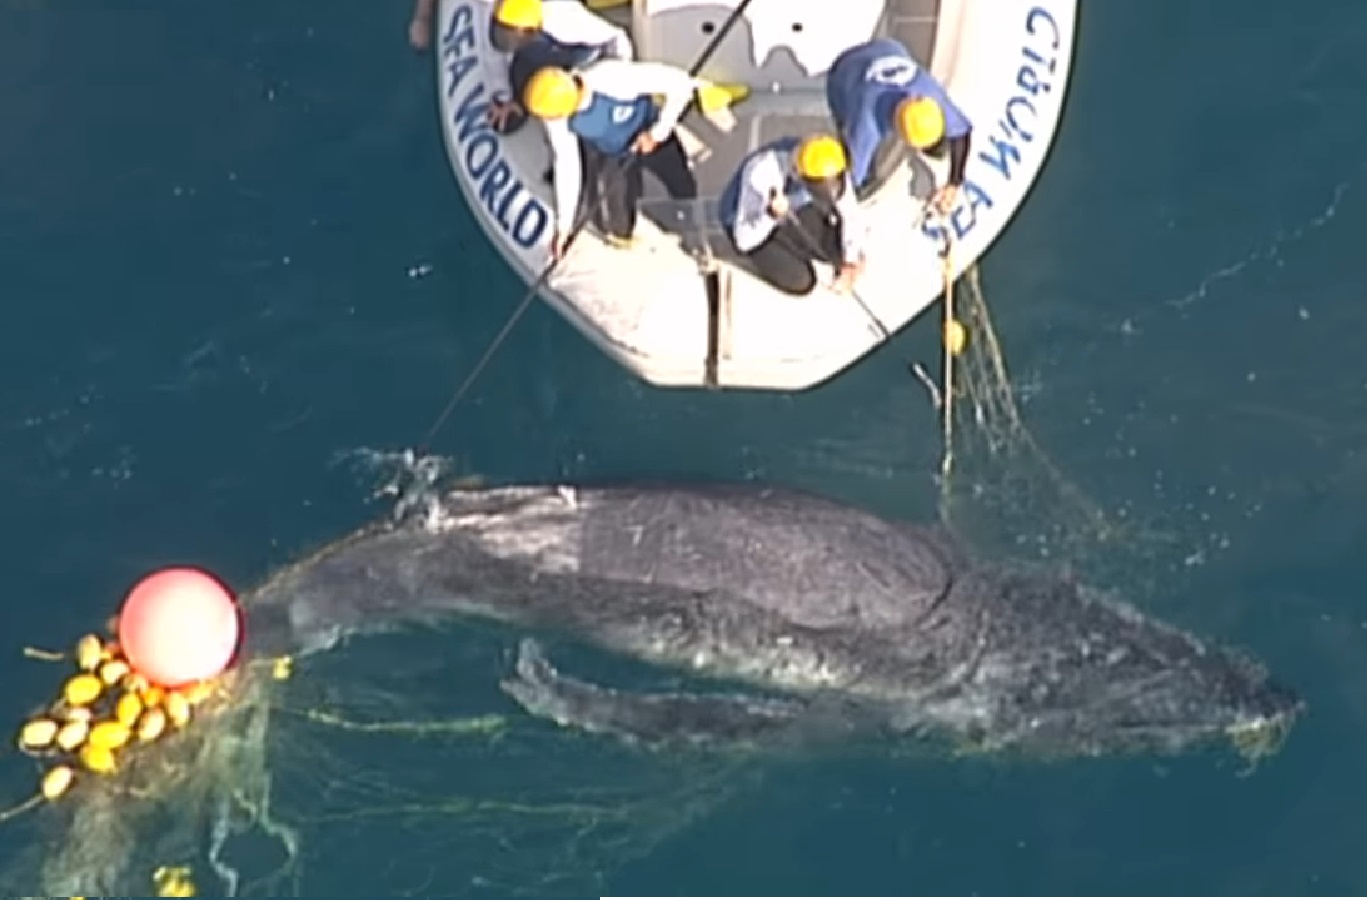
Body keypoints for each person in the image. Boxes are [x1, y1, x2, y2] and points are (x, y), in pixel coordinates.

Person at [522, 60, 700, 259]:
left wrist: (657, 133)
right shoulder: (555, 116)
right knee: (618, 226)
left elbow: (681, 83)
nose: (549, 122)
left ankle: (694, 230)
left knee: (683, 186)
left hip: (650, 133)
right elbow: (567, 163)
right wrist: (564, 227)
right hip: (615, 154)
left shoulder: (611, 78)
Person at [407, 0, 634, 137]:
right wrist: (504, 97)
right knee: (520, 75)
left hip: (579, 55)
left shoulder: (565, 18)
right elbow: (493, 52)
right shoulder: (498, 11)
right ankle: (520, 103)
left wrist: (617, 79)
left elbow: (614, 37)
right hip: (541, 47)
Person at [825, 38, 972, 213]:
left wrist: (954, 184)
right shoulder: (868, 124)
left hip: (886, 47)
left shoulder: (928, 91)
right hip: (843, 73)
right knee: (857, 165)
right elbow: (846, 184)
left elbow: (961, 133)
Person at [718, 134, 866, 297]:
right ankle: (777, 250)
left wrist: (850, 262)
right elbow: (743, 240)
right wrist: (770, 215)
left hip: (792, 207)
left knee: (843, 249)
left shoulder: (829, 162)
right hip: (752, 223)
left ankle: (795, 241)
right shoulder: (762, 171)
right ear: (799, 174)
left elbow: (850, 212)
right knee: (801, 281)